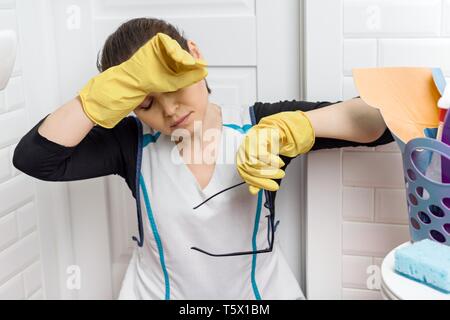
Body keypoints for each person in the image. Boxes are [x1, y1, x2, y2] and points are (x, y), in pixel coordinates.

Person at [12, 18, 394, 300]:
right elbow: (36, 158)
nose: (169, 109)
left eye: (172, 85)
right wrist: (97, 98)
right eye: (144, 102)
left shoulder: (260, 125)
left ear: (194, 56)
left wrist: (295, 127)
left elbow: (385, 121)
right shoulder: (130, 145)